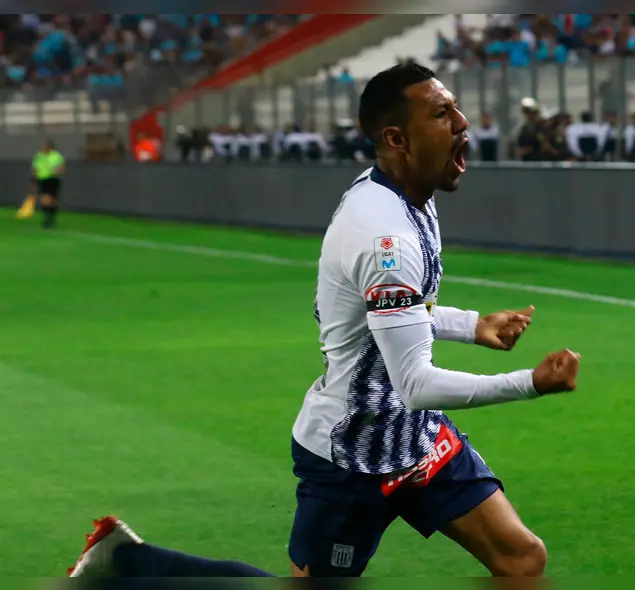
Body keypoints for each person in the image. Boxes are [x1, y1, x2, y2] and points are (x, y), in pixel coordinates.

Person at [67, 63, 581, 580]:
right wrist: (530, 384)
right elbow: (416, 383)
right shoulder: (386, 236)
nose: (462, 122)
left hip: (415, 439)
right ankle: (126, 560)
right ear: (397, 137)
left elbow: (386, 316)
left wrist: (471, 325)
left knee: (522, 559)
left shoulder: (404, 197)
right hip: (350, 454)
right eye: (442, 113)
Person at [28, 140, 66, 229]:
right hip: (42, 179)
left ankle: (51, 217)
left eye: (45, 146)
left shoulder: (56, 156)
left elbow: (61, 166)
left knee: (53, 200)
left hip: (53, 179)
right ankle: (47, 218)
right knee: (45, 199)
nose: (43, 147)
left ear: (50, 147)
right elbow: (35, 166)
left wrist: (58, 171)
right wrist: (34, 175)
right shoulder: (39, 155)